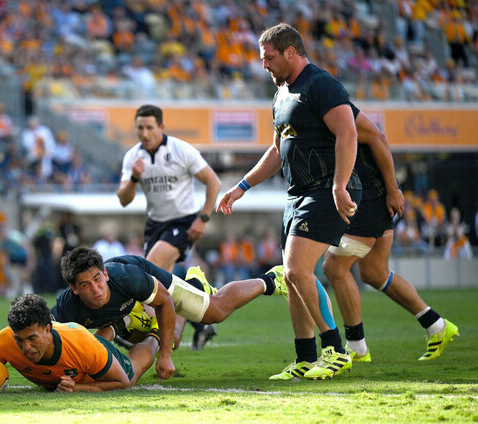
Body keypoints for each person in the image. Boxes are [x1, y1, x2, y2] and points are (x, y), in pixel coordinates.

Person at [217, 23, 361, 380]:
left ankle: (336, 350)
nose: (264, 65)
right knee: (293, 277)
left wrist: (339, 185)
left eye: (269, 58)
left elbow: (348, 132)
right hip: (297, 194)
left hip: (326, 189)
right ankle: (305, 358)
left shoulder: (321, 85)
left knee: (296, 270)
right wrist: (242, 186)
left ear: (291, 53)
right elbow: (277, 151)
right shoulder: (281, 94)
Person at [321, 107, 459, 368]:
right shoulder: (314, 106)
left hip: (370, 197)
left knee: (334, 266)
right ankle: (437, 325)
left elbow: (379, 137)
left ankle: (356, 346)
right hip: (370, 196)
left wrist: (393, 189)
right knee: (374, 273)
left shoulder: (331, 102)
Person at [51, 247, 287, 381]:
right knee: (149, 337)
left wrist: (165, 356)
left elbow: (164, 302)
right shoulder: (66, 307)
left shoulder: (126, 277)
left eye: (97, 279)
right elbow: (45, 336)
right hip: (122, 312)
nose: (96, 289)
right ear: (74, 288)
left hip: (149, 288)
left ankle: (271, 279)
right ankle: (192, 285)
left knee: (215, 312)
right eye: (86, 285)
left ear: (105, 274)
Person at [116, 104, 222, 348]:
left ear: (161, 127)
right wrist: (134, 177)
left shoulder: (180, 149)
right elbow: (123, 199)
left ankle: (148, 334)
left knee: (148, 272)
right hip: (155, 225)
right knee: (164, 284)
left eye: (149, 127)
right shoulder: (133, 157)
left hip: (184, 222)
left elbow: (213, 182)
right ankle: (194, 320)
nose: (144, 133)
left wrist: (203, 218)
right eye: (140, 128)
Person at [0, 294, 152, 392]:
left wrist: (78, 388)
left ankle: (156, 335)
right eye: (19, 339)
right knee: (89, 352)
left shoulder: (81, 344)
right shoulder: (5, 340)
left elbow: (122, 383)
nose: (26, 348)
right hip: (87, 350)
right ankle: (121, 322)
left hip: (90, 350)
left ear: (47, 329)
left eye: (32, 338)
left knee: (134, 371)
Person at [0, 223, 36, 299]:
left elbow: (27, 245)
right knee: (9, 273)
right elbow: (4, 254)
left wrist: (30, 260)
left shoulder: (13, 236)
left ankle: (28, 291)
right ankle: (13, 290)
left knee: (25, 275)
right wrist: (5, 266)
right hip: (13, 257)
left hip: (23, 256)